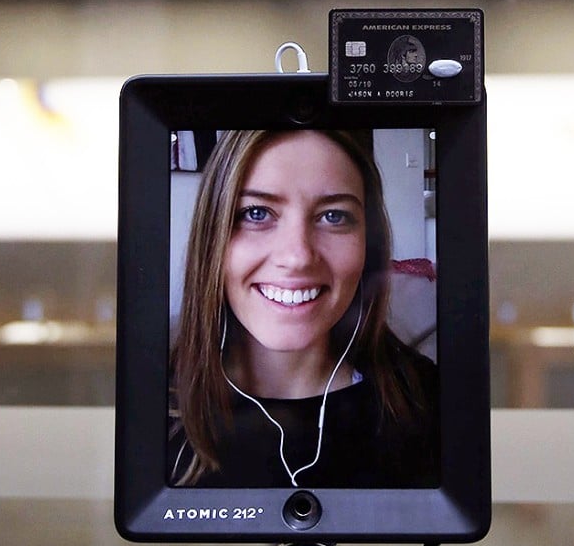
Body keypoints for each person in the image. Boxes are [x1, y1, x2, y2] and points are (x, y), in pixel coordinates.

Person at [168, 130, 437, 488]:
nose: (297, 257)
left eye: (333, 217)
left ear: (369, 247)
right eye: (256, 212)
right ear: (212, 237)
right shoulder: (149, 406)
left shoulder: (429, 400)